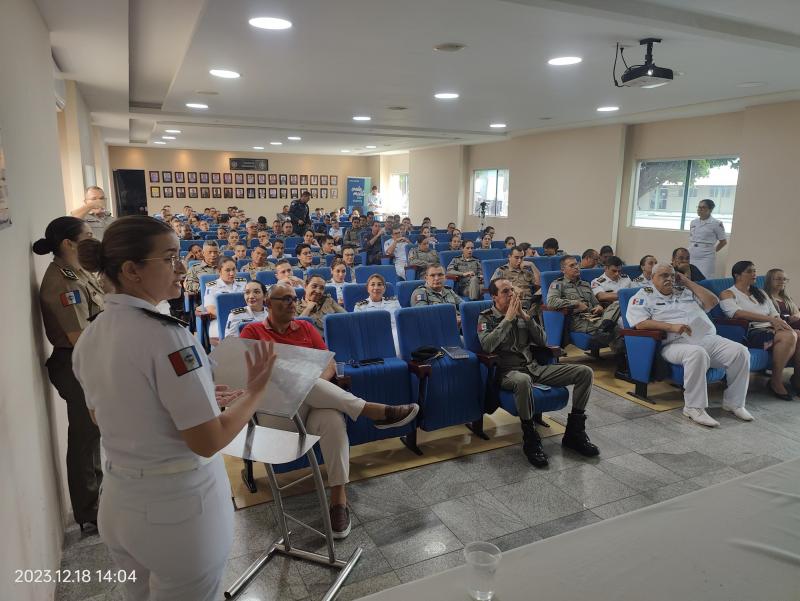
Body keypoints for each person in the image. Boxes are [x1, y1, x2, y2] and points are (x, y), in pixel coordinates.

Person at [73, 215, 278, 600]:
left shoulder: (92, 334)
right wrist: (256, 391)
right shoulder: (168, 337)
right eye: (169, 258)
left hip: (119, 502)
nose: (181, 268)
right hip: (175, 510)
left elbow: (104, 414)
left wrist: (200, 395)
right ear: (131, 270)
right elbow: (207, 440)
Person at [241, 284, 418, 537]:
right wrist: (301, 381)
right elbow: (250, 376)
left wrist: (313, 383)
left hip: (310, 405)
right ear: (268, 304)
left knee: (332, 418)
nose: (292, 303)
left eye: (294, 298)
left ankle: (338, 500)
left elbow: (329, 364)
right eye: (285, 299)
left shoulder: (305, 328)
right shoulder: (252, 331)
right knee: (293, 378)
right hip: (278, 415)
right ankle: (372, 411)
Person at [478, 278, 599, 468]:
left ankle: (574, 433)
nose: (511, 295)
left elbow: (543, 341)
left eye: (512, 290)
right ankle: (530, 438)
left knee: (584, 372)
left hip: (533, 368)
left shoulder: (523, 314)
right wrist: (507, 319)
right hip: (508, 372)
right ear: (494, 297)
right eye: (505, 292)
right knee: (523, 380)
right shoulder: (486, 318)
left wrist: (525, 318)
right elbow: (487, 346)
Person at [34, 217, 104, 531]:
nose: (93, 239)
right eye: (87, 235)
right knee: (84, 438)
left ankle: (98, 497)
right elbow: (80, 338)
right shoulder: (63, 282)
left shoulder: (79, 271)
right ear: (68, 243)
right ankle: (89, 510)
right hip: (76, 362)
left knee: (94, 434)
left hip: (87, 359)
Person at [627, 263, 752, 426]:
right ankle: (694, 408)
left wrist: (687, 281)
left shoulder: (685, 291)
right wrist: (671, 327)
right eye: (664, 275)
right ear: (652, 277)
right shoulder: (643, 296)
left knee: (741, 352)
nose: (669, 279)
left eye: (672, 275)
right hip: (674, 344)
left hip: (705, 338)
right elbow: (640, 323)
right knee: (697, 353)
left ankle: (734, 403)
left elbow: (712, 301)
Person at [720, 261, 799, 399]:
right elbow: (736, 313)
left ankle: (797, 379)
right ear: (737, 275)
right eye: (749, 271)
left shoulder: (760, 293)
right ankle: (775, 382)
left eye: (755, 271)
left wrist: (777, 322)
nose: (754, 274)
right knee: (789, 336)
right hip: (753, 335)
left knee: (797, 334)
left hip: (772, 331)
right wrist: (770, 320)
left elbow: (774, 313)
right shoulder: (728, 293)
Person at [547, 256, 621, 351]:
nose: (576, 267)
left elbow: (596, 303)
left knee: (618, 303)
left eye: (577, 264)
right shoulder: (558, 284)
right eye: (572, 265)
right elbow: (551, 301)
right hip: (578, 320)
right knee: (616, 329)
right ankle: (619, 355)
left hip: (595, 316)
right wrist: (576, 303)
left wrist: (599, 307)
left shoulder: (585, 284)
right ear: (563, 270)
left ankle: (605, 324)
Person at [354, 273, 402, 353]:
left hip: (394, 333)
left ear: (384, 288)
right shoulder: (360, 306)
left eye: (379, 284)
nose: (376, 288)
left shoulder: (394, 302)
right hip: (372, 336)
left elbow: (402, 321)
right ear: (367, 288)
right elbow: (358, 328)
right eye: (372, 284)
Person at [491, 247, 540, 311]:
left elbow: (539, 284)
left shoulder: (527, 271)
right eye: (516, 258)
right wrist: (512, 288)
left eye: (521, 258)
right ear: (509, 257)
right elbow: (492, 286)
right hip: (512, 302)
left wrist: (532, 265)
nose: (519, 261)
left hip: (530, 302)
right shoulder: (502, 270)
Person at [688, 198, 727, 279]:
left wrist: (713, 250)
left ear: (710, 209)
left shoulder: (716, 223)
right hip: (692, 253)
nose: (699, 209)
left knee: (705, 278)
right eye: (699, 207)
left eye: (703, 207)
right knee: (691, 276)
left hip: (706, 256)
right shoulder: (693, 222)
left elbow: (723, 242)